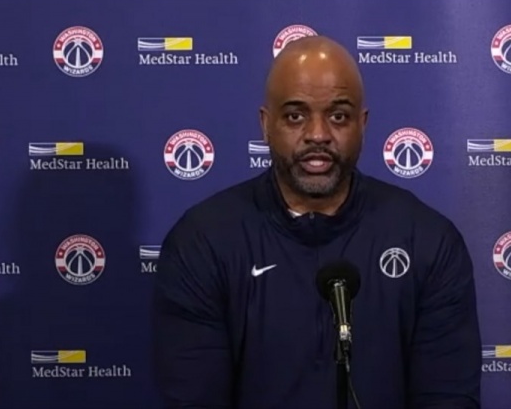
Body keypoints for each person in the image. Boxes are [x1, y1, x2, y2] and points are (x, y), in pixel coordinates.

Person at [152, 35, 482, 408]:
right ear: (266, 125)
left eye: (338, 116)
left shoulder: (427, 241)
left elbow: (448, 397)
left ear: (362, 124)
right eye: (296, 116)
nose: (318, 135)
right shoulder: (203, 242)